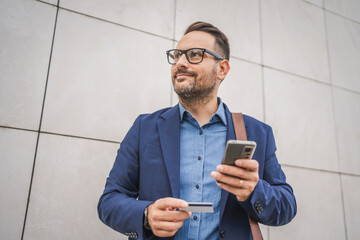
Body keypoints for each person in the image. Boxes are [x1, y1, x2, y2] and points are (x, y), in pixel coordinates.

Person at [98, 21, 297, 240]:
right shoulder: (144, 128)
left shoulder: (258, 133)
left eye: (194, 54)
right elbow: (109, 200)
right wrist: (146, 215)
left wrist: (254, 191)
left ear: (222, 69)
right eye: (177, 56)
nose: (180, 63)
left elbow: (286, 206)